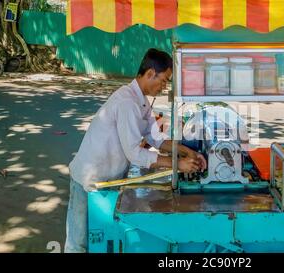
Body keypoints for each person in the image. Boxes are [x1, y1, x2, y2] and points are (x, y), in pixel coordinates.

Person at [65, 48, 206, 253]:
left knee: (100, 239)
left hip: (107, 179)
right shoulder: (127, 102)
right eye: (164, 80)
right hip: (88, 178)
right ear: (150, 73)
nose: (164, 87)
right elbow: (134, 153)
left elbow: (154, 138)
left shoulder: (140, 101)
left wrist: (184, 151)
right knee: (78, 244)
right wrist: (177, 165)